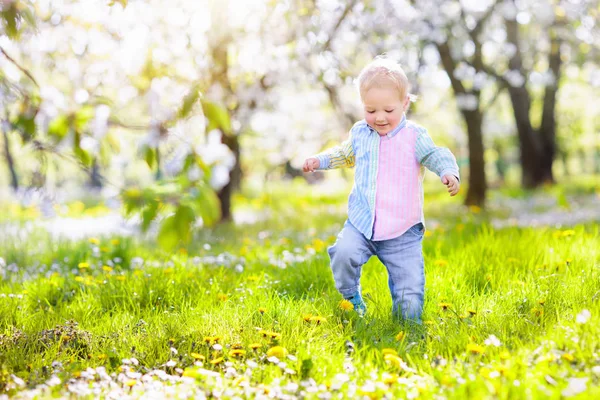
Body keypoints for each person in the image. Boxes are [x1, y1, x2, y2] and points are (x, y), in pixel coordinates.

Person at [303, 57, 460, 323]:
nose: (379, 118)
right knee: (343, 254)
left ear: (405, 103)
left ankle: (406, 328)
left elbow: (434, 154)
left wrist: (447, 171)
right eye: (370, 110)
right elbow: (344, 154)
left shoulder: (414, 136)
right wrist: (320, 160)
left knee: (409, 290)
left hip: (403, 230)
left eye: (388, 110)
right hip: (362, 222)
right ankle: (351, 297)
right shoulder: (361, 133)